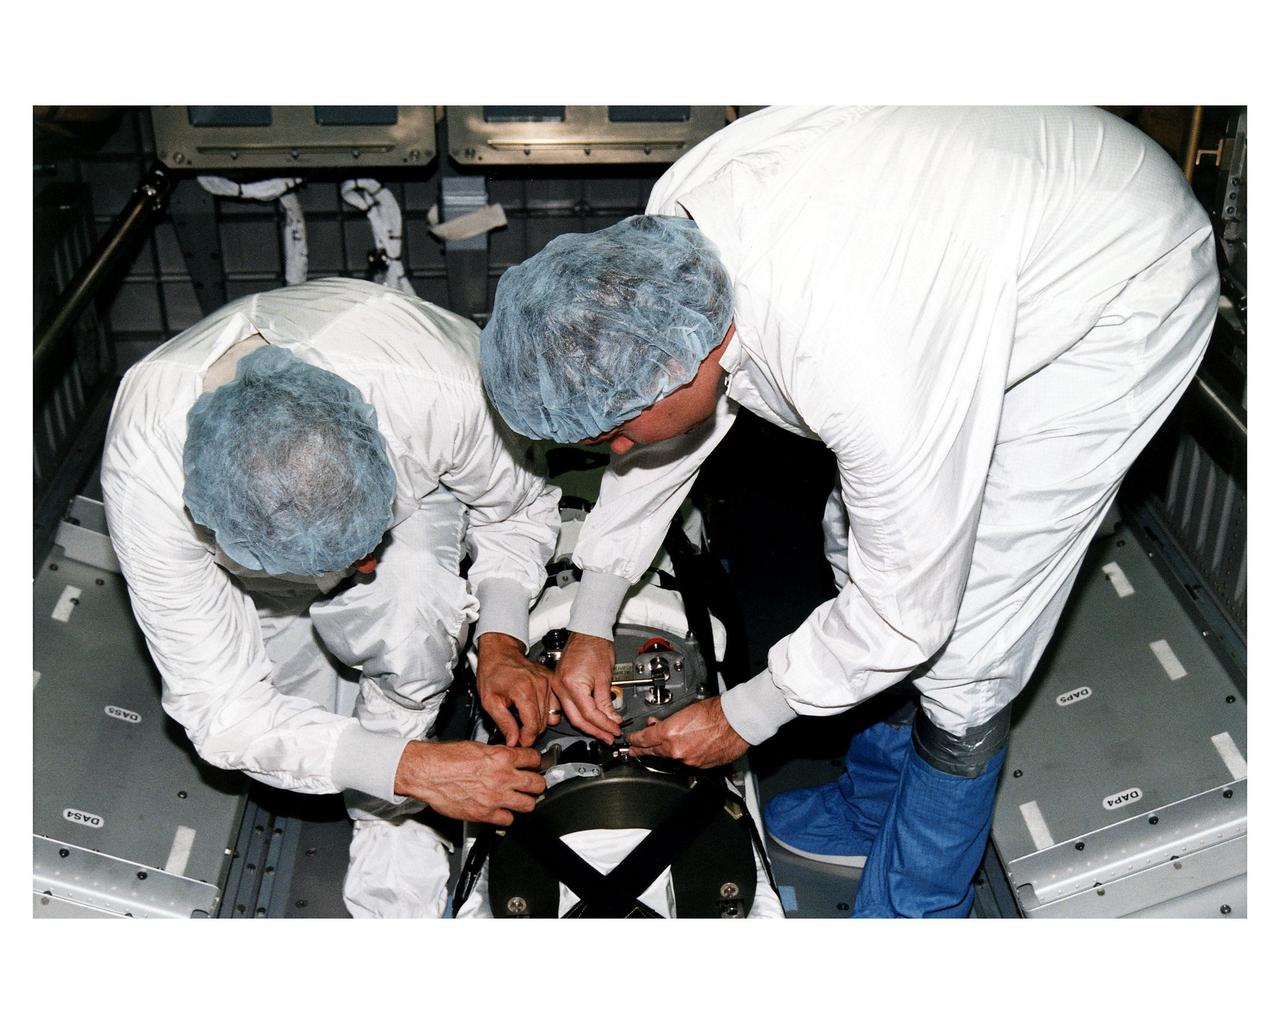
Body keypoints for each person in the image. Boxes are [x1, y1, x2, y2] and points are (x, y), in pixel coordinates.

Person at [478, 106, 1219, 917]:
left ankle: (915, 906)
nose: (618, 452)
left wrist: (744, 715)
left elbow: (906, 612)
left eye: (616, 433)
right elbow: (667, 437)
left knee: (972, 629)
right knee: (855, 540)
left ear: (675, 368)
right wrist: (591, 619)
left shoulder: (854, 361)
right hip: (966, 242)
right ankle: (871, 812)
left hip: (1115, 281)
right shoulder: (669, 255)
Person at [101, 277, 560, 918]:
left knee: (411, 607)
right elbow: (227, 710)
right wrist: (406, 767)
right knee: (304, 723)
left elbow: (516, 508)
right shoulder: (146, 486)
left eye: (367, 544)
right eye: (345, 561)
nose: (364, 569)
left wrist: (502, 641)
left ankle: (389, 816)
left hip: (409, 496)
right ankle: (400, 774)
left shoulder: (435, 385)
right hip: (252, 569)